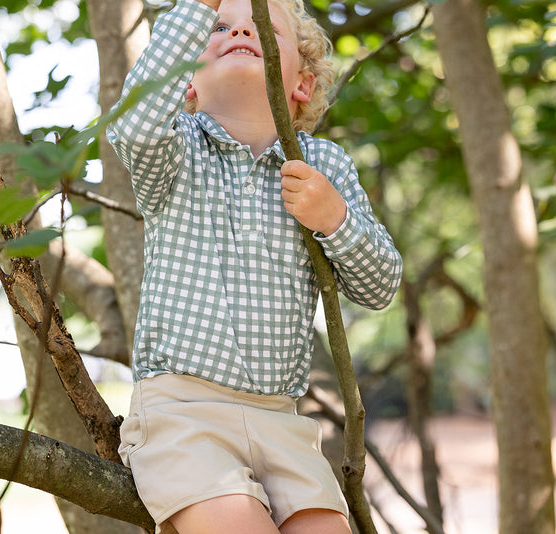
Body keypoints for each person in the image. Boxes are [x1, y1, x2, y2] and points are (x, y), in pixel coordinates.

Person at [106, 0, 403, 532]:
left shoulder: (324, 166)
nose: (240, 27)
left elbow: (380, 287)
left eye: (261, 28)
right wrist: (198, 7)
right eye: (218, 27)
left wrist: (335, 221)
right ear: (187, 82)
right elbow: (133, 127)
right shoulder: (178, 151)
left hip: (283, 423)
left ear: (303, 85)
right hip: (183, 415)